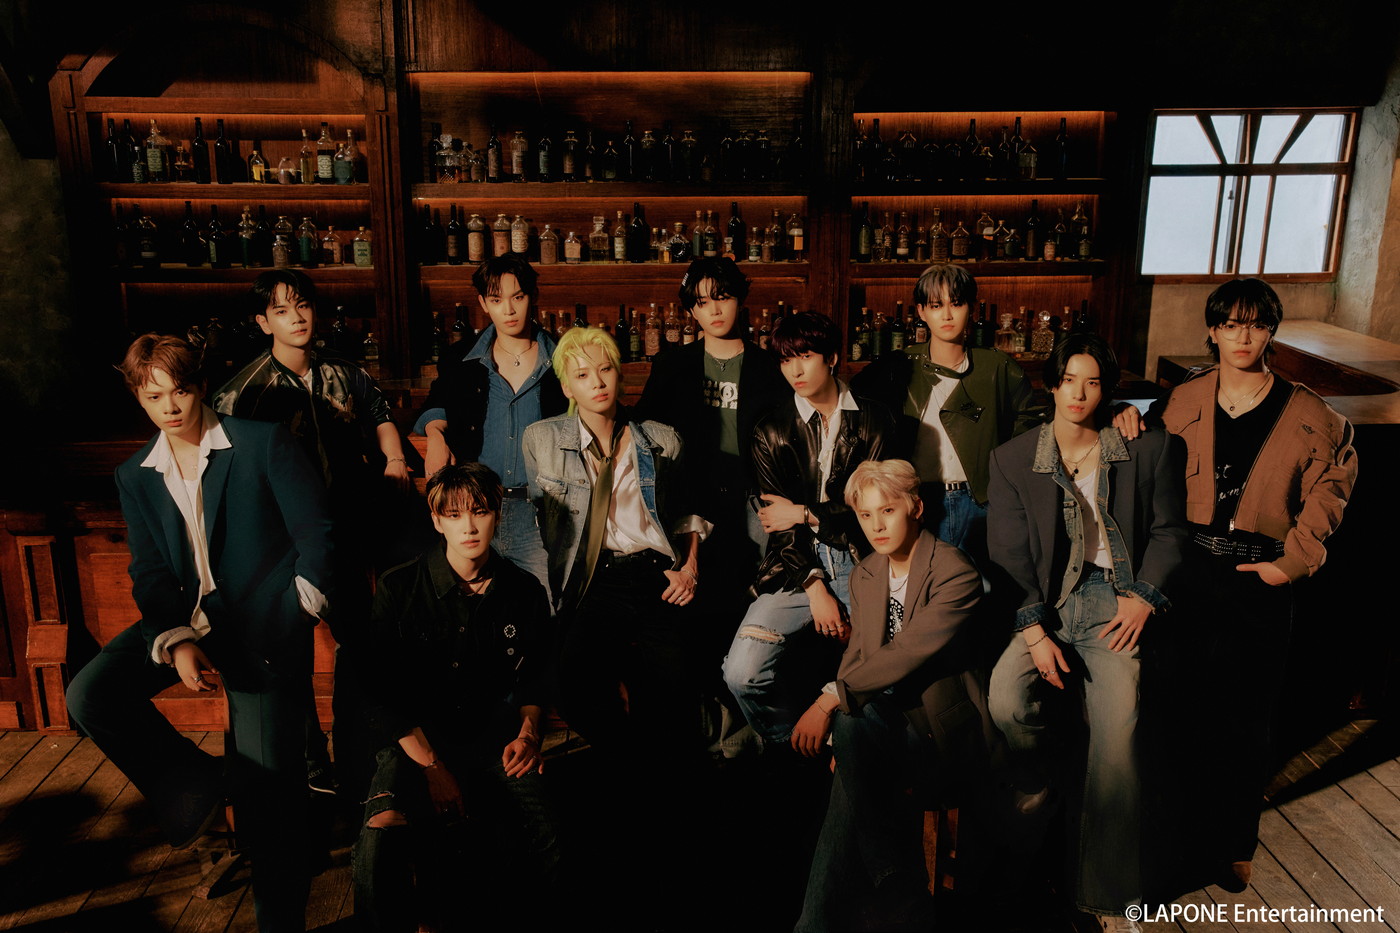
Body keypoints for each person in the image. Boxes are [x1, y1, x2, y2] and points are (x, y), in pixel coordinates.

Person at [67, 334, 334, 933]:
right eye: (153, 396)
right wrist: (176, 637)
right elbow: (150, 570)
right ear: (138, 397)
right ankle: (200, 784)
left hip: (265, 631)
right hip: (190, 623)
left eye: (180, 391)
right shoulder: (136, 474)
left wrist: (297, 612)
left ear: (201, 386)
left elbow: (316, 537)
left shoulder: (262, 443)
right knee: (90, 695)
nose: (169, 406)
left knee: (268, 804)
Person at [1115, 278, 1357, 893]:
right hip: (1188, 570)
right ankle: (1169, 845)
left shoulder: (1310, 413)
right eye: (1230, 324)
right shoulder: (1185, 398)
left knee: (1244, 720)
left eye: (1255, 324)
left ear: (1270, 331)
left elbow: (1333, 486)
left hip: (1259, 578)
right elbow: (1144, 451)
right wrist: (1127, 416)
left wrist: (1291, 563)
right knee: (1172, 711)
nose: (1242, 336)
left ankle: (1231, 845)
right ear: (1213, 331)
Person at [986, 333, 1187, 932]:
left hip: (1113, 602)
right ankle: (1047, 778)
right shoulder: (1014, 458)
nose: (1078, 393)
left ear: (1108, 390)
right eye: (1069, 380)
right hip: (1046, 604)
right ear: (1052, 385)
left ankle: (1108, 897)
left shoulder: (1147, 449)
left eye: (1093, 382)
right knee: (1005, 700)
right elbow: (1009, 555)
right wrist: (1033, 631)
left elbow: (1171, 533)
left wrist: (1144, 598)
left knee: (1119, 740)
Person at [522, 326, 705, 921]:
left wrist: (690, 567)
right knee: (572, 681)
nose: (597, 383)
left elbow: (687, 513)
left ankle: (663, 855)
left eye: (604, 369)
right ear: (567, 386)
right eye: (582, 374)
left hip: (652, 572)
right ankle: (633, 776)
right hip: (591, 578)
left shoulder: (661, 439)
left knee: (672, 695)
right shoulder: (543, 440)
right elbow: (540, 521)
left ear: (620, 373)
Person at [214, 269, 410, 799]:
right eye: (281, 310)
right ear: (263, 322)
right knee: (291, 652)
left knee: (362, 644)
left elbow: (379, 411)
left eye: (302, 306)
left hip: (346, 531)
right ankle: (310, 761)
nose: (296, 318)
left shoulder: (344, 373)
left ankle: (357, 752)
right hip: (281, 542)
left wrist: (394, 457)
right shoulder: (242, 392)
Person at [351, 463, 559, 933]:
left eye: (480, 512)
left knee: (546, 832)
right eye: (455, 515)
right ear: (436, 520)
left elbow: (537, 676)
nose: (469, 527)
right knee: (379, 840)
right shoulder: (400, 587)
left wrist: (529, 735)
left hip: (492, 738)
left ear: (497, 515)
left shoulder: (522, 590)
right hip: (415, 742)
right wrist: (431, 767)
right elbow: (380, 693)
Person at [794, 460, 989, 933]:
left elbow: (905, 653)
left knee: (850, 753)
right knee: (851, 738)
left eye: (888, 511)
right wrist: (845, 735)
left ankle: (875, 897)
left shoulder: (955, 572)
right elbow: (857, 656)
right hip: (882, 727)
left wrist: (828, 701)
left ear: (916, 508)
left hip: (942, 735)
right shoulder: (865, 573)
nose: (876, 526)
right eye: (865, 515)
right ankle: (893, 894)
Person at [720, 310, 893, 752]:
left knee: (891, 668)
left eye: (805, 356)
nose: (794, 370)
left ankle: (851, 746)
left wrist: (804, 512)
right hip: (792, 566)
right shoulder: (770, 430)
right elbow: (777, 526)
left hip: (864, 561)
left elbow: (875, 510)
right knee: (740, 673)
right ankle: (796, 745)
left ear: (831, 357)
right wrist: (814, 585)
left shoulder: (875, 420)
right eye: (785, 359)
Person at [636, 256, 788, 756]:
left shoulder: (769, 366)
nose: (714, 309)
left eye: (722, 297)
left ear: (740, 299)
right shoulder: (673, 365)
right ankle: (703, 740)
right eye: (702, 302)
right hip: (689, 504)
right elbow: (645, 434)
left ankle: (744, 740)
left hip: (752, 503)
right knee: (691, 618)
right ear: (691, 311)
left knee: (745, 610)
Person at [852, 262, 1043, 555]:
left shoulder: (997, 367)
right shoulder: (898, 366)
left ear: (971, 308)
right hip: (918, 503)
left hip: (982, 501)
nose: (947, 315)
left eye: (956, 303)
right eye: (936, 305)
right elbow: (850, 406)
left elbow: (1034, 428)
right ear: (921, 311)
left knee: (986, 580)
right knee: (923, 580)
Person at [414, 255, 566, 595]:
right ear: (483, 303)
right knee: (469, 608)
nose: (508, 310)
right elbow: (436, 402)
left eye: (518, 297)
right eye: (497, 300)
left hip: (539, 512)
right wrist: (436, 433)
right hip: (475, 509)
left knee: (542, 607)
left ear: (533, 297)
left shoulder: (562, 360)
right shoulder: (460, 358)